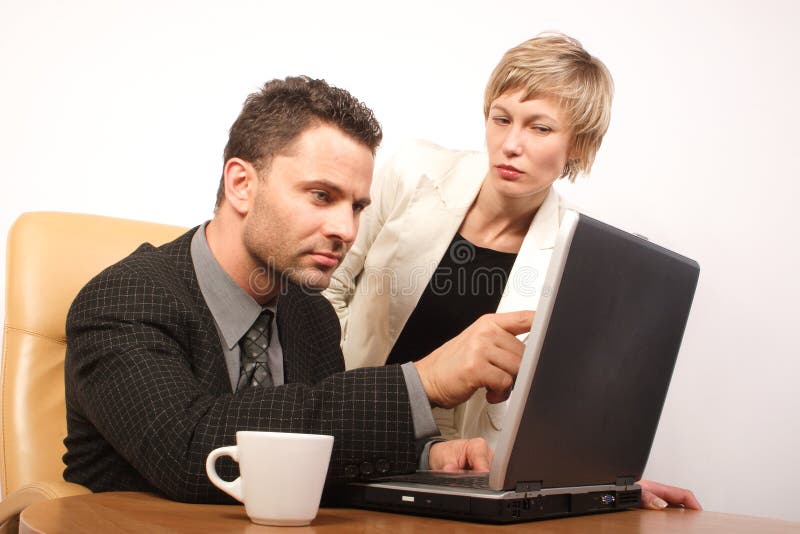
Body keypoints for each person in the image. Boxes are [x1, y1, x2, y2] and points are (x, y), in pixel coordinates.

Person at [62, 76, 532, 504]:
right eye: (322, 196)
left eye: (357, 206)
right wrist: (422, 382)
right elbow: (193, 450)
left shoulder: (311, 314)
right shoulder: (121, 299)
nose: (346, 229)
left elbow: (319, 437)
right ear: (242, 184)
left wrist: (426, 456)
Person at [324, 33, 701, 510]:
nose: (510, 144)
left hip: (464, 469)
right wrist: (332, 401)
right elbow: (326, 289)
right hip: (354, 427)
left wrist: (606, 482)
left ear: (579, 147)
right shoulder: (410, 171)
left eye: (540, 128)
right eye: (501, 119)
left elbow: (566, 402)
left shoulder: (578, 255)